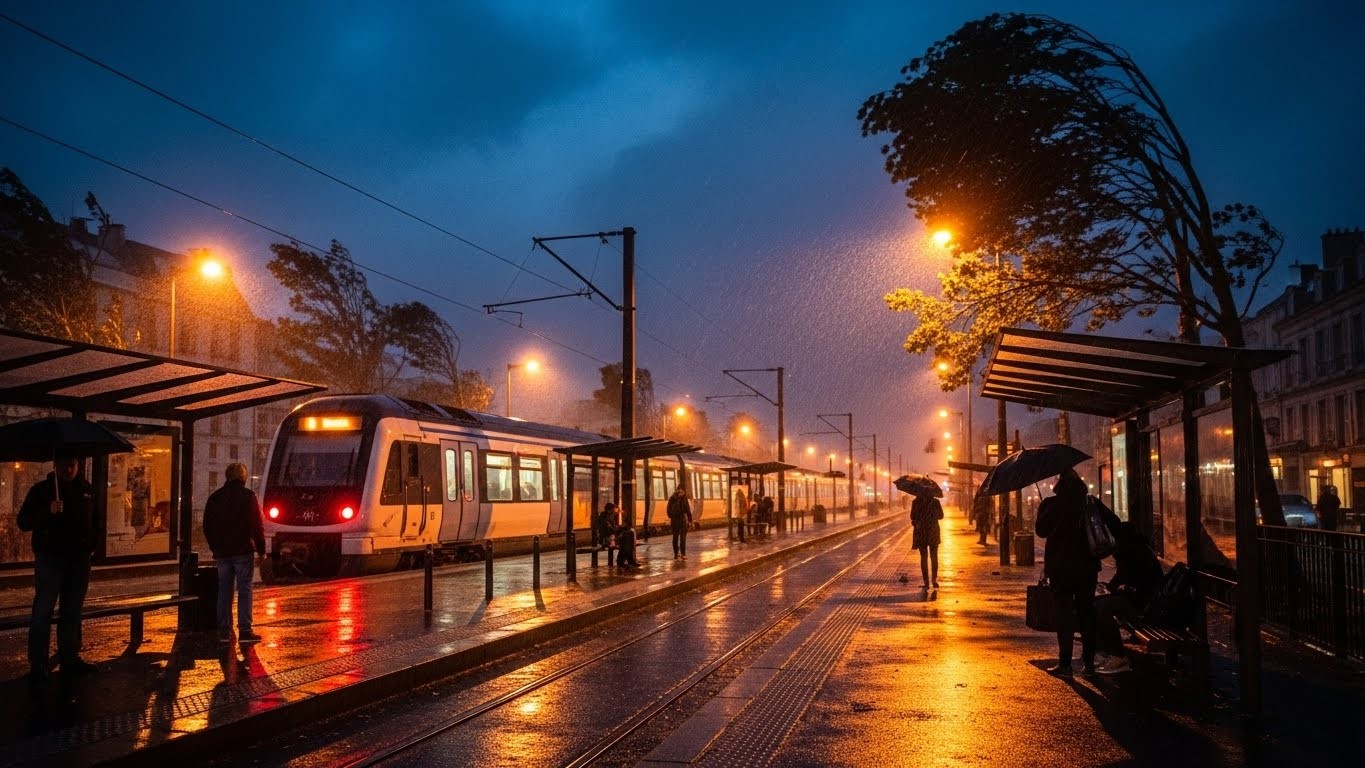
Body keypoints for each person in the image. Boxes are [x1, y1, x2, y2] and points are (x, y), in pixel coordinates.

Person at [18, 454, 99, 683]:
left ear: (78, 465)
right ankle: (38, 662)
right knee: (43, 611)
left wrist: (91, 544)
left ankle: (70, 657)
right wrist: (48, 511)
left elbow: (96, 520)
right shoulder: (42, 490)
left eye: (71, 465)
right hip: (50, 558)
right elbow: (23, 521)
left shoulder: (87, 490)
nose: (68, 469)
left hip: (79, 559)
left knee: (72, 611)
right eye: (63, 465)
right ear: (55, 465)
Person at [1036, 467, 1107, 677]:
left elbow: (1041, 530)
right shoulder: (1090, 504)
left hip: (1060, 569)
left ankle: (1065, 664)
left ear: (1060, 484)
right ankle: (1089, 664)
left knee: (1064, 616)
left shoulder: (1051, 504)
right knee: (1086, 613)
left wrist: (1045, 507)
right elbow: (1111, 524)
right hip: (1087, 568)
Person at [203, 462, 266, 644]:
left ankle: (224, 631)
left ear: (227, 476)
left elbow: (207, 526)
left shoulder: (215, 497)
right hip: (242, 552)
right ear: (243, 477)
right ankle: (245, 631)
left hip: (222, 553)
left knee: (224, 591)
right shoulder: (248, 497)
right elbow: (256, 526)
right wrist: (261, 550)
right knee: (244, 590)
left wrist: (215, 547)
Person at [1091, 520, 1162, 675]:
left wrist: (1112, 589)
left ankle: (1117, 655)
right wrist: (1111, 588)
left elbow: (1128, 579)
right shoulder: (1136, 548)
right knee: (1099, 605)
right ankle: (1105, 650)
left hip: (1144, 605)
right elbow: (1123, 578)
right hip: (1142, 599)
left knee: (1102, 608)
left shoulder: (1131, 551)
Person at [909, 490, 944, 588]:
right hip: (933, 532)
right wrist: (932, 516)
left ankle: (926, 582)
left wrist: (919, 520)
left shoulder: (916, 502)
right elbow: (941, 516)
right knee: (934, 556)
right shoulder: (935, 502)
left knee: (923, 557)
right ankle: (934, 580)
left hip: (921, 533)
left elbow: (912, 517)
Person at [667, 486, 693, 558]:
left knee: (675, 537)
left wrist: (672, 516)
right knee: (683, 537)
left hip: (674, 520)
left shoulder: (672, 498)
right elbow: (687, 510)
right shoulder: (684, 498)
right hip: (682, 519)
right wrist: (690, 520)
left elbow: (668, 510)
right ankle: (683, 554)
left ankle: (676, 554)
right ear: (682, 490)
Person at [595, 501, 619, 567]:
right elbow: (606, 526)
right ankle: (611, 563)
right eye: (613, 509)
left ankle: (611, 563)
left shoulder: (609, 515)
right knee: (612, 545)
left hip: (609, 535)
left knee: (612, 546)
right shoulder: (604, 515)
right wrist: (614, 529)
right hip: (606, 535)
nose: (614, 510)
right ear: (610, 509)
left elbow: (611, 525)